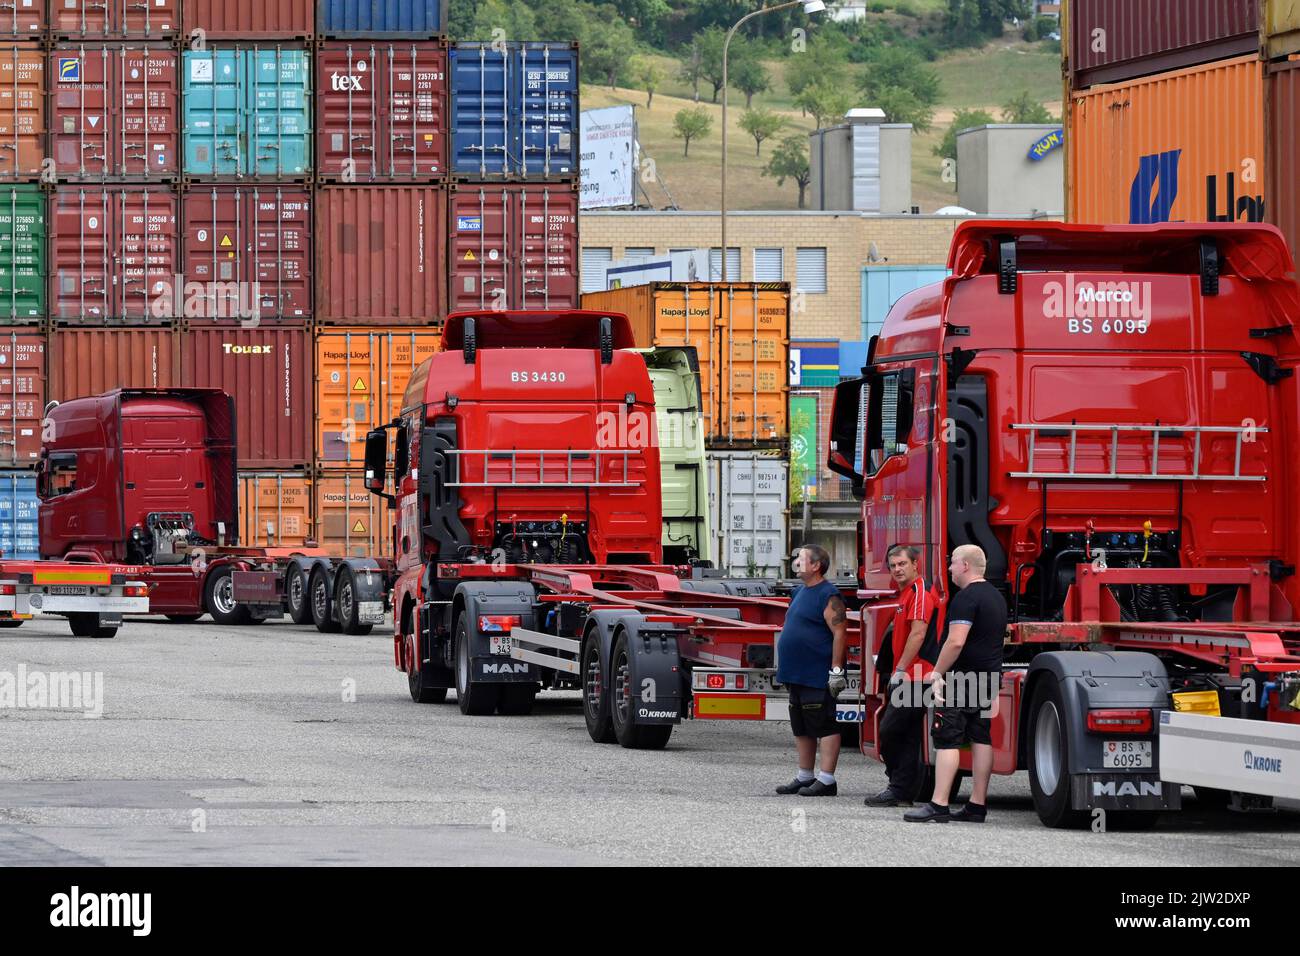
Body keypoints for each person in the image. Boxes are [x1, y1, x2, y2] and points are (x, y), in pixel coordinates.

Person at [904, 544, 1007, 824]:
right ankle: (977, 805)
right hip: (987, 676)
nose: (949, 568)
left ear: (964, 566)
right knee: (980, 738)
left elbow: (956, 640)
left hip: (961, 679)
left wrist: (937, 672)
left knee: (947, 738)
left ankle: (939, 804)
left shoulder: (966, 598)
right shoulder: (996, 597)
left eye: (952, 564)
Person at [864, 544, 936, 807]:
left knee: (891, 730)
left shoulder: (919, 592)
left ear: (916, 564)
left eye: (902, 564)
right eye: (893, 565)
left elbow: (918, 633)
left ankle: (900, 788)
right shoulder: (907, 593)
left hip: (916, 676)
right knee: (905, 735)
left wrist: (901, 669)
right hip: (910, 676)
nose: (897, 569)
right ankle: (902, 791)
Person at [774, 544, 849, 797]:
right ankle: (805, 776)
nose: (796, 562)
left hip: (817, 672)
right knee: (801, 725)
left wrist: (836, 670)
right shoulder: (798, 592)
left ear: (816, 566)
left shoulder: (829, 595)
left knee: (824, 723)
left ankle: (827, 779)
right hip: (796, 672)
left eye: (801, 559)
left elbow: (840, 632)